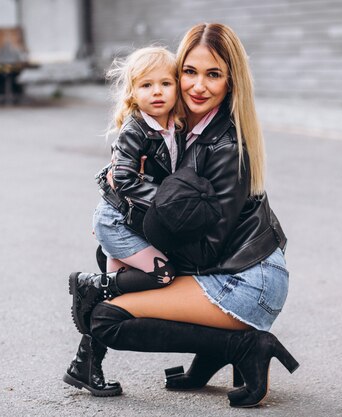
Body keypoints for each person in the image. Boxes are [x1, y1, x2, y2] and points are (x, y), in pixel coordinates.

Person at [65, 23, 298, 408]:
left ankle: (244, 346)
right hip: (225, 265)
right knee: (116, 258)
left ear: (231, 82)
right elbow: (132, 181)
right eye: (189, 72)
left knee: (107, 317)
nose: (198, 86)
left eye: (213, 75)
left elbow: (203, 252)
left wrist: (133, 221)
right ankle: (211, 351)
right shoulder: (177, 126)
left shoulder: (228, 145)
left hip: (246, 282)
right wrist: (123, 211)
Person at [68, 46, 187, 337]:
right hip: (117, 221)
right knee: (163, 274)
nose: (157, 92)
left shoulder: (174, 127)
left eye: (165, 84)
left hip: (132, 218)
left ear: (176, 88)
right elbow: (122, 178)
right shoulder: (135, 131)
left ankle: (86, 362)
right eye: (147, 85)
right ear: (133, 92)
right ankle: (88, 283)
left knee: (114, 300)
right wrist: (166, 200)